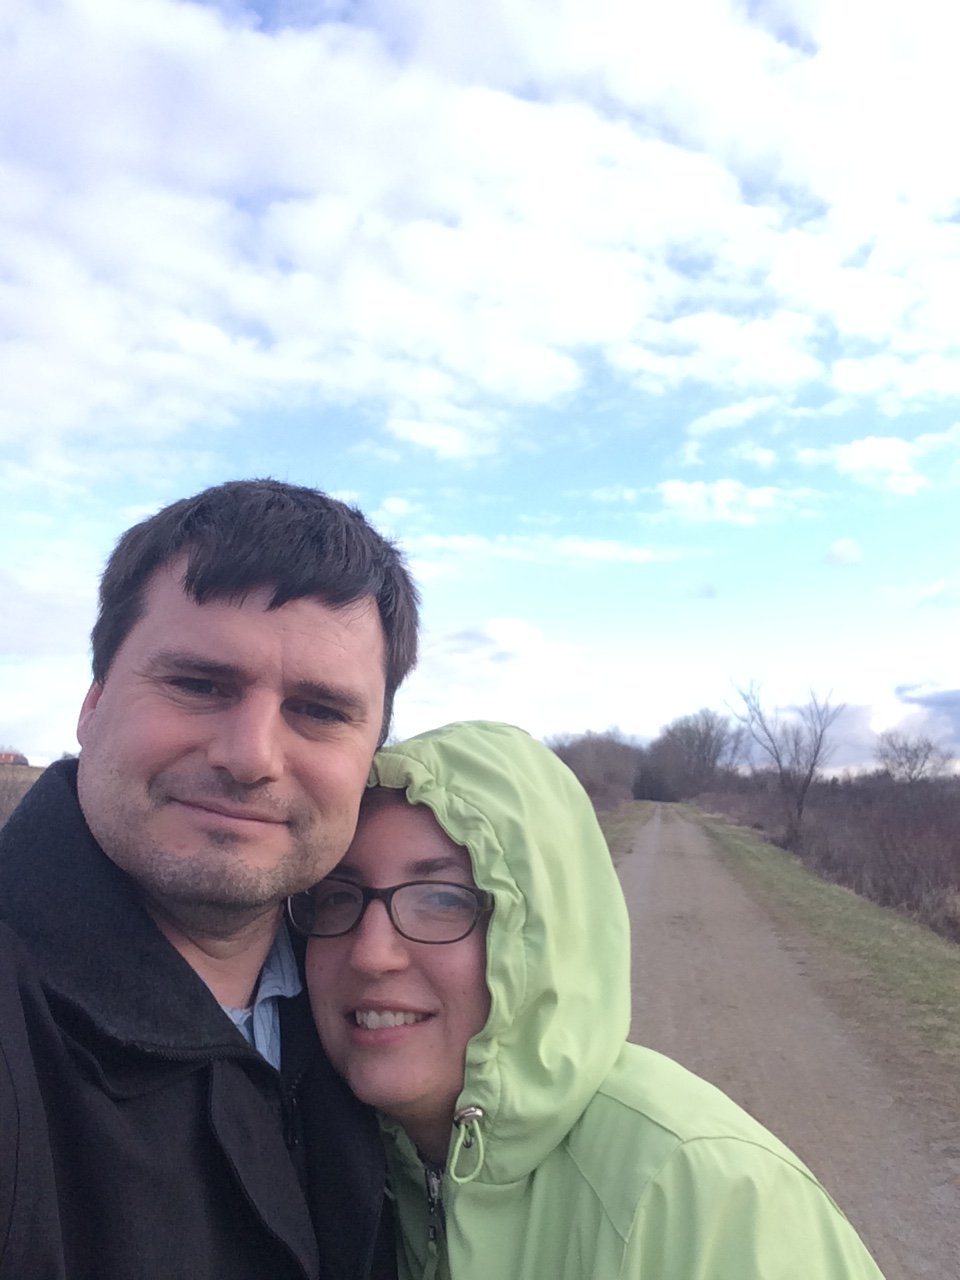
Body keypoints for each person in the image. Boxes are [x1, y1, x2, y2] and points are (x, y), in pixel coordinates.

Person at [0, 478, 419, 1280]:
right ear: (92, 706)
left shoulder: (382, 1013)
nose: (250, 756)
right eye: (198, 685)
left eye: (320, 711)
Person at [299, 720, 886, 1280]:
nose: (370, 954)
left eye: (442, 899)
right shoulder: (328, 1170)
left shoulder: (706, 1195)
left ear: (543, 931)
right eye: (337, 896)